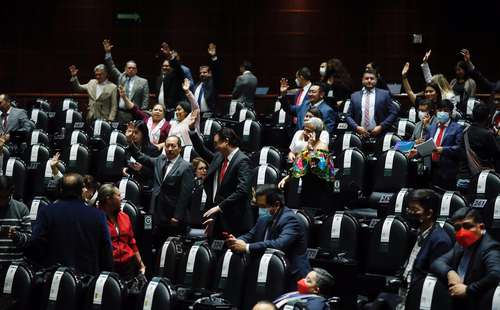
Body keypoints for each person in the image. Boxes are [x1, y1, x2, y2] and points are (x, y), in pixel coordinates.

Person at [368, 189, 453, 309]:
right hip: (402, 292)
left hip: (416, 299)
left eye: (414, 210)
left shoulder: (440, 242)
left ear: (429, 214)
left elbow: (433, 285)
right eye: (408, 209)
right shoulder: (414, 234)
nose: (409, 213)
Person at [29, 173, 113, 275]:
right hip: (87, 280)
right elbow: (106, 251)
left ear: (60, 190)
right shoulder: (98, 215)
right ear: (82, 191)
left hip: (53, 277)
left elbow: (35, 242)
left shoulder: (46, 212)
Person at [225, 185, 311, 281]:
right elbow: (250, 236)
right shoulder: (263, 219)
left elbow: (278, 244)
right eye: (258, 206)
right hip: (270, 271)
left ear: (277, 204)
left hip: (292, 275)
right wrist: (237, 241)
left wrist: (246, 247)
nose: (260, 209)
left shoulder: (291, 220)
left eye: (263, 206)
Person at [188, 118, 253, 238]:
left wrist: (219, 207)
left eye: (216, 143)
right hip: (217, 218)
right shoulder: (219, 157)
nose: (215, 146)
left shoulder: (242, 160)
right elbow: (202, 150)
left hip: (235, 219)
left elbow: (242, 190)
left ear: (226, 141)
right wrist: (192, 130)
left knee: (230, 255)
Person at [126, 133, 194, 248]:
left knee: (170, 247)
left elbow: (185, 194)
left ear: (180, 148)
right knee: (155, 244)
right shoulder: (160, 160)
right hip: (157, 211)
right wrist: (129, 142)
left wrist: (177, 216)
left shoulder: (185, 166)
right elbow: (141, 157)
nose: (170, 149)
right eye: (167, 146)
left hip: (173, 214)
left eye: (173, 146)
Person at [431, 207, 500, 309]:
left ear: (481, 227)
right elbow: (438, 262)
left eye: (467, 226)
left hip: (474, 303)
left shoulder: (490, 247)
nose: (462, 233)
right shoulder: (460, 244)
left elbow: (495, 274)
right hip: (455, 299)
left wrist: (468, 290)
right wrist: (450, 272)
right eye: (458, 228)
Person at [278, 118, 335, 213]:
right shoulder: (307, 146)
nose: (304, 132)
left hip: (320, 193)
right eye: (304, 129)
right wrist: (286, 178)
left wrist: (311, 150)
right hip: (307, 190)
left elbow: (317, 169)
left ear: (316, 133)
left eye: (308, 131)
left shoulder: (323, 147)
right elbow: (299, 166)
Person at [97, 184, 145, 280]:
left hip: (128, 266)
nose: (121, 199)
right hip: (107, 267)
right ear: (108, 199)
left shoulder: (125, 216)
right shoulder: (96, 219)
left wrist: (141, 264)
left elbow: (132, 242)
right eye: (118, 196)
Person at [102, 39, 150, 121]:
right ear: (125, 69)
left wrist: (142, 115)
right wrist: (108, 53)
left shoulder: (143, 81)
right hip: (120, 114)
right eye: (129, 68)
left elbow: (145, 100)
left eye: (133, 68)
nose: (131, 69)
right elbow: (111, 66)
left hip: (135, 114)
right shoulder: (120, 77)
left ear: (136, 70)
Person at [423, 99, 463, 190]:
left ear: (450, 112)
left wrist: (443, 149)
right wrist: (417, 151)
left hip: (448, 170)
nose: (442, 112)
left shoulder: (457, 128)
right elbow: (426, 145)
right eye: (440, 110)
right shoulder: (432, 128)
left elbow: (459, 148)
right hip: (432, 168)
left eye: (445, 110)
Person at [346, 69, 398, 138]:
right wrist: (356, 127)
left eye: (372, 78)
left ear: (376, 80)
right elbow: (348, 116)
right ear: (362, 80)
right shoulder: (354, 96)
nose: (369, 80)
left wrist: (381, 126)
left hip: (380, 134)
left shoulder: (385, 94)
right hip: (360, 135)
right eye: (366, 78)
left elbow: (393, 113)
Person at [460, 101, 500, 176]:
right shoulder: (487, 134)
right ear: (488, 117)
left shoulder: (465, 130)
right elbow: (496, 154)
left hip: (464, 174)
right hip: (480, 176)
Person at [0, 176, 31, 270]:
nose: (1, 201)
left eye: (4, 197)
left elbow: (28, 240)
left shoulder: (21, 209)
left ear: (11, 192)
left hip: (14, 267)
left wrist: (16, 236)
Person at [123, 121, 160, 188]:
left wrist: (141, 169)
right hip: (130, 182)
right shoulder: (128, 147)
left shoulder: (153, 149)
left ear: (143, 133)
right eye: (132, 132)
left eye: (136, 132)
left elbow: (156, 173)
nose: (133, 135)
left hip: (146, 185)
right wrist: (125, 168)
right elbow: (126, 162)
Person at [167, 78, 201, 146]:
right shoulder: (173, 123)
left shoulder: (191, 119)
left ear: (186, 111)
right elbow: (168, 139)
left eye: (179, 109)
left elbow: (196, 108)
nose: (176, 112)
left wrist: (187, 91)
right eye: (176, 110)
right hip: (175, 151)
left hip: (190, 152)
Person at [155, 43, 186, 112]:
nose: (164, 68)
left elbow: (177, 67)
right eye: (163, 66)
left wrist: (169, 56)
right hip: (161, 111)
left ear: (172, 67)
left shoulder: (176, 75)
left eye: (167, 66)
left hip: (173, 110)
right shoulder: (159, 78)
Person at [193, 43, 222, 114]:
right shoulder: (197, 85)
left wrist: (214, 57)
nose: (202, 74)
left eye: (204, 72)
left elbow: (217, 72)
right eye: (200, 73)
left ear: (210, 73)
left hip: (210, 115)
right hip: (197, 115)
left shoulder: (213, 83)